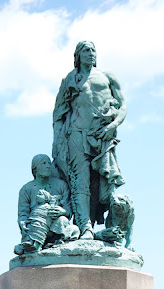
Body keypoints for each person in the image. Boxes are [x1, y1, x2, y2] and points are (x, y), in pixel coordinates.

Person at [52, 41, 127, 239]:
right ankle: (85, 228)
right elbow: (58, 114)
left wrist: (113, 126)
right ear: (78, 55)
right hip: (76, 134)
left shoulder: (107, 77)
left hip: (102, 135)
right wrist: (57, 144)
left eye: (93, 50)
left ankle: (109, 227)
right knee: (80, 181)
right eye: (86, 50)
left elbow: (123, 106)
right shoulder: (70, 79)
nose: (91, 53)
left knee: (101, 182)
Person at [15, 154, 79, 254]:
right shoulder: (26, 189)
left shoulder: (61, 185)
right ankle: (32, 243)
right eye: (44, 163)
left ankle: (53, 243)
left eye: (49, 163)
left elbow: (68, 209)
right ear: (35, 169)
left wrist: (63, 211)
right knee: (34, 224)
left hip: (56, 226)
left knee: (68, 225)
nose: (48, 166)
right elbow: (23, 214)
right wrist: (22, 222)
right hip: (36, 223)